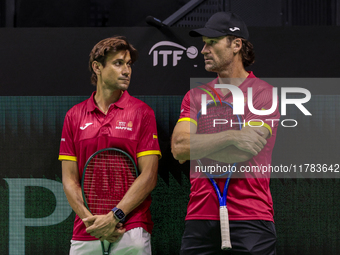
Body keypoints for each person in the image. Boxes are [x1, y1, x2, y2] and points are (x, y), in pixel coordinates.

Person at [171, 12, 280, 255]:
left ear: (236, 44)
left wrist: (198, 146)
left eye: (211, 42)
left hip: (251, 216)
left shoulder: (264, 94)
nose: (203, 50)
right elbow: (179, 147)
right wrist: (232, 136)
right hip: (200, 215)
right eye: (203, 44)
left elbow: (242, 153)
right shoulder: (195, 96)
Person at [59, 35, 161, 255]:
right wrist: (92, 222)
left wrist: (114, 217)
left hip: (131, 227)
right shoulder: (73, 116)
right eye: (118, 63)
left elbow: (149, 176)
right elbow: (69, 179)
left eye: (129, 64)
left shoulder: (142, 113)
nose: (126, 70)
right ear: (97, 67)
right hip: (87, 229)